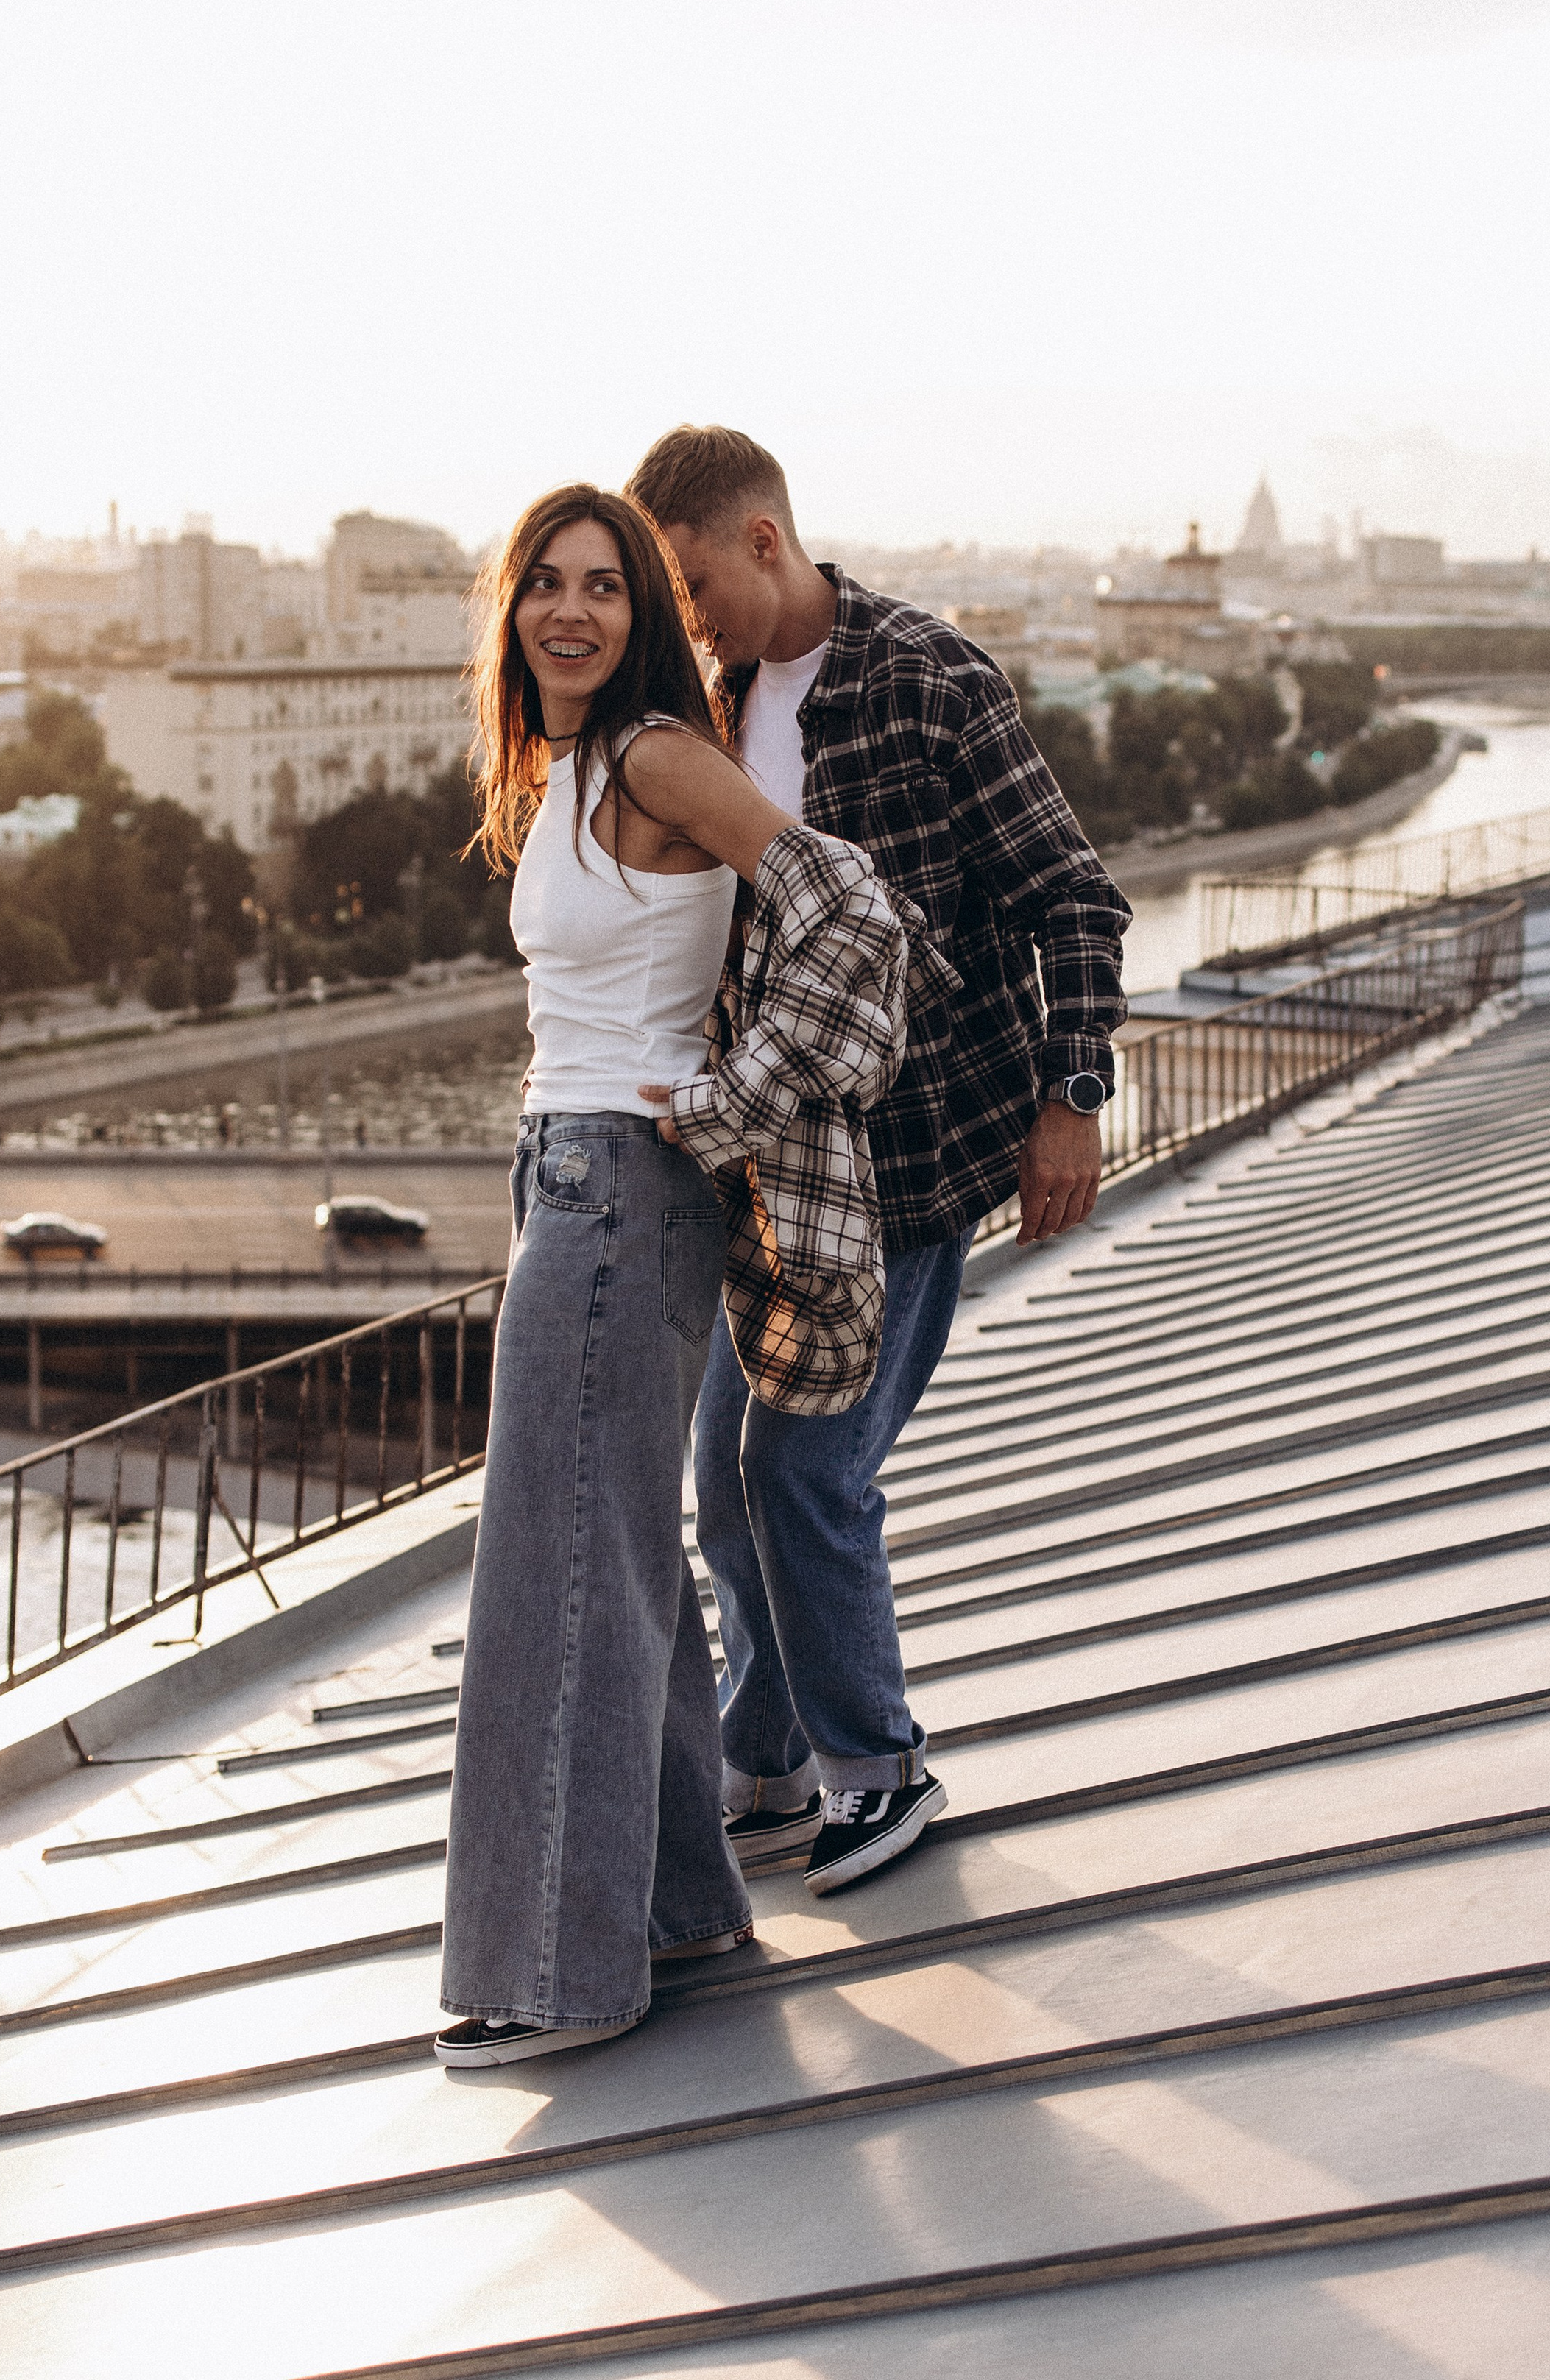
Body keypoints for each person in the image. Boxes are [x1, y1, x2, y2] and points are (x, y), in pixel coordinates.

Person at [436, 482, 909, 2070]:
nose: (569, 611)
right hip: (568, 1180)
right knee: (609, 1557)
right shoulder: (567, 766)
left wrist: (726, 1102)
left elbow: (850, 910)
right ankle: (679, 1908)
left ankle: (562, 1975)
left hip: (619, 1188)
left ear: (642, 608)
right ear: (509, 610)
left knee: (551, 1575)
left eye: (605, 587)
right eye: (543, 586)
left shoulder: (647, 754)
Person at [624, 424, 1132, 1896]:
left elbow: (1070, 898)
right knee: (728, 1488)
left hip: (909, 1159)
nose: (686, 612)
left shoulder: (925, 674)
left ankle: (878, 1767)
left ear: (763, 541)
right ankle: (768, 1757)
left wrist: (1071, 1094)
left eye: (693, 578)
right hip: (774, 1176)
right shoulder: (704, 703)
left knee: (801, 1466)